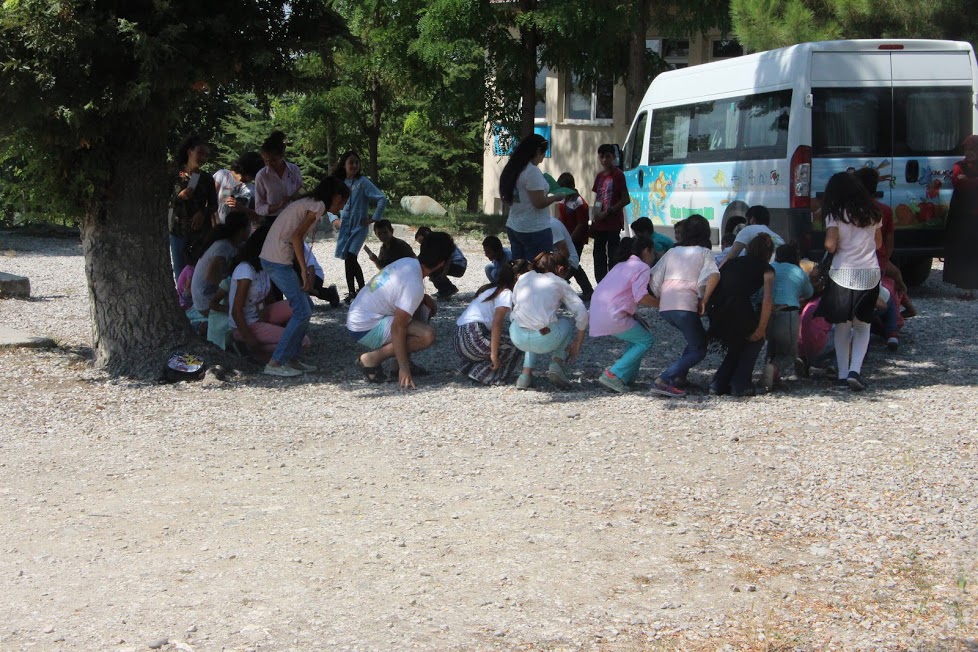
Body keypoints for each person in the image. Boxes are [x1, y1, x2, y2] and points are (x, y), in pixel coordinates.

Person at [258, 176, 351, 377]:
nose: (342, 206)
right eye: (343, 201)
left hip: (276, 259)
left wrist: (305, 267)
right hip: (277, 260)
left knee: (306, 307)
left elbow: (295, 236)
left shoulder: (310, 204)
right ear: (336, 197)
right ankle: (276, 361)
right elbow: (296, 236)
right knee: (302, 310)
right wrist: (303, 269)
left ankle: (290, 358)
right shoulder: (317, 206)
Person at [347, 231, 456, 389]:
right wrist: (405, 370)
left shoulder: (408, 262)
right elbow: (398, 327)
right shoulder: (414, 284)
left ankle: (396, 365)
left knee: (424, 307)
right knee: (427, 335)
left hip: (359, 316)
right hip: (364, 327)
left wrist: (422, 298)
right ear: (441, 263)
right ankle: (371, 360)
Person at [815, 171, 883, 392]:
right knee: (863, 326)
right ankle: (856, 370)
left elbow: (830, 245)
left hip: (843, 274)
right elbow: (879, 244)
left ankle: (843, 375)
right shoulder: (873, 213)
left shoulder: (835, 214)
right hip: (870, 274)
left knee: (842, 326)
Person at [649, 214, 721, 397]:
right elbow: (714, 275)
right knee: (699, 349)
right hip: (685, 306)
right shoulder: (704, 253)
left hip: (667, 307)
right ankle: (664, 379)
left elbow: (655, 276)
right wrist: (703, 300)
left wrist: (660, 295)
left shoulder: (673, 251)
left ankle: (680, 376)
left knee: (694, 340)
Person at [707, 233, 776, 397]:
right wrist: (761, 328)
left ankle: (718, 383)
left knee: (737, 344)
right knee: (755, 340)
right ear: (769, 253)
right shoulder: (767, 269)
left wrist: (705, 302)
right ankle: (740, 383)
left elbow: (716, 277)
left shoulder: (731, 262)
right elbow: (767, 300)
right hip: (737, 306)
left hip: (716, 306)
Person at [229, 226, 310, 364]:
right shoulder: (245, 270)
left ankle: (278, 343)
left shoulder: (264, 267)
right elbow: (236, 311)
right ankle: (256, 351)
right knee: (303, 342)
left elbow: (268, 297)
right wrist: (250, 338)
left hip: (260, 316)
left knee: (304, 304)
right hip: (248, 324)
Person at [509, 252, 589, 390]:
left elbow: (515, 303)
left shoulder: (524, 277)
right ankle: (556, 364)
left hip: (517, 335)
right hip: (543, 338)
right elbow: (581, 313)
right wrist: (578, 343)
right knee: (565, 323)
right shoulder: (559, 283)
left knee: (531, 320)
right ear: (560, 269)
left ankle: (525, 376)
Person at [589, 236, 658, 393]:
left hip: (597, 313)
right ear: (646, 251)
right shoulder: (642, 267)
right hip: (612, 316)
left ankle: (626, 376)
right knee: (646, 340)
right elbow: (641, 296)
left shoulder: (621, 265)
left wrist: (634, 315)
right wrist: (662, 303)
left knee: (637, 338)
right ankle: (613, 374)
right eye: (653, 253)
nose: (653, 257)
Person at [332, 150, 390, 304]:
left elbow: (381, 199)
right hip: (345, 227)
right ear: (344, 164)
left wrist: (373, 218)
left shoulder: (363, 182)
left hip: (359, 227)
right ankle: (352, 292)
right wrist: (333, 219)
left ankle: (362, 290)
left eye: (357, 162)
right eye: (351, 162)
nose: (354, 165)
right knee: (347, 258)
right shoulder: (339, 183)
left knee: (351, 256)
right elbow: (329, 203)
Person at [454, 261, 523, 386]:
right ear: (518, 277)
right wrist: (494, 354)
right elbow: (497, 323)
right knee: (518, 343)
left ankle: (467, 367)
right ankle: (486, 375)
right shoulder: (506, 293)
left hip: (460, 339)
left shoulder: (492, 289)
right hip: (473, 338)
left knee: (503, 338)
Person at [762, 243, 814, 389]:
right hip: (788, 313)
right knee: (789, 352)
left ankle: (772, 373)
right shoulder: (799, 272)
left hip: (768, 313)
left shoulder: (771, 268)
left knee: (772, 345)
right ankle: (774, 368)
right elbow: (809, 292)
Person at [499, 134, 558, 260]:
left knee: (520, 270)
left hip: (514, 226)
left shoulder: (514, 168)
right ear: (537, 151)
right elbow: (539, 202)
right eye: (543, 153)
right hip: (534, 228)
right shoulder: (532, 171)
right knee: (539, 272)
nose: (543, 158)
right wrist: (557, 197)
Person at [169, 134, 218, 282]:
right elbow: (161, 201)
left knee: (198, 276)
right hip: (178, 231)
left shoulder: (207, 178)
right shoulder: (173, 174)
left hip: (200, 234)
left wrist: (203, 212)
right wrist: (179, 197)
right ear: (190, 152)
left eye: (206, 155)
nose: (203, 158)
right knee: (181, 276)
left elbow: (214, 204)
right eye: (200, 153)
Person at [190, 212, 250, 318]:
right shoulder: (223, 247)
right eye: (249, 226)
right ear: (241, 230)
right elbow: (211, 277)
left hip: (205, 299)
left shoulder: (230, 244)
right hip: (205, 302)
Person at [944, 135, 978, 300]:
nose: (969, 153)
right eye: (967, 150)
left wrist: (969, 180)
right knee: (964, 252)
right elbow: (958, 182)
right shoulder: (959, 166)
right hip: (962, 218)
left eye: (973, 150)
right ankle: (966, 288)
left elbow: (967, 183)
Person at [590, 144, 631, 282]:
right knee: (598, 254)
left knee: (613, 255)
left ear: (613, 157)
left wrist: (609, 211)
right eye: (601, 157)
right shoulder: (600, 176)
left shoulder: (618, 175)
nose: (604, 160)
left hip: (613, 223)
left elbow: (625, 199)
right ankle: (601, 283)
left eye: (607, 156)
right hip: (600, 223)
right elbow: (598, 197)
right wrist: (595, 214)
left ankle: (614, 283)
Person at [555, 173, 594, 299]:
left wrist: (570, 240)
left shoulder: (578, 202)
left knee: (572, 264)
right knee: (574, 264)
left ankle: (561, 286)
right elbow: (560, 218)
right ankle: (588, 291)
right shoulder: (563, 199)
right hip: (564, 238)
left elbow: (582, 224)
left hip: (576, 239)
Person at [254, 131, 303, 223]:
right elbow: (259, 207)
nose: (269, 164)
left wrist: (293, 196)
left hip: (294, 216)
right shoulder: (262, 175)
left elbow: (303, 189)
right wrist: (278, 206)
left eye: (273, 160)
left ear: (281, 156)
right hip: (273, 220)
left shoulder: (294, 169)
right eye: (266, 160)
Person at [719, 205, 785, 266]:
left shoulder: (747, 230)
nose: (745, 223)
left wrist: (718, 271)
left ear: (752, 219)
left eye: (746, 220)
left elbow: (730, 257)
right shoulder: (779, 238)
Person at [415, 226, 467, 299]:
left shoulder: (435, 242)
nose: (422, 244)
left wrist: (440, 273)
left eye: (421, 241)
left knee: (432, 271)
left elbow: (446, 259)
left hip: (458, 265)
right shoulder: (437, 241)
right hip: (458, 264)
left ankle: (448, 289)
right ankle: (444, 290)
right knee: (432, 270)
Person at [214, 152, 265, 225]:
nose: (254, 178)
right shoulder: (223, 175)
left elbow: (259, 217)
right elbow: (208, 200)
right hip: (217, 228)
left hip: (240, 233)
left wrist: (240, 207)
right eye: (253, 175)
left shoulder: (253, 189)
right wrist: (215, 222)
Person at [301, 242, 340, 307]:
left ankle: (330, 294)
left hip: (316, 275)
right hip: (303, 274)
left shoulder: (303, 247)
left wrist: (310, 288)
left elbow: (311, 269)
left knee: (303, 287)